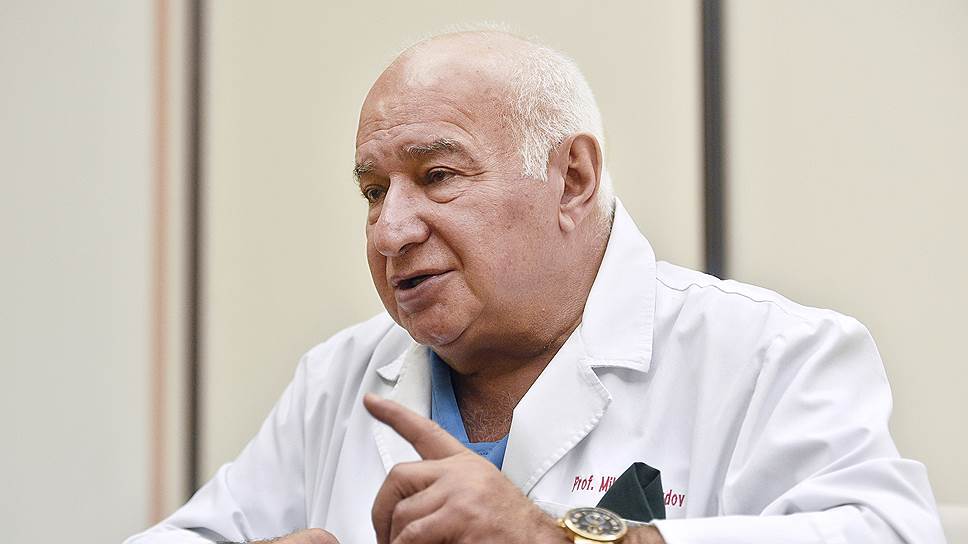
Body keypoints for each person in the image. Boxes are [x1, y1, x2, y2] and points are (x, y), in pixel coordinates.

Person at [125, 30, 946, 544]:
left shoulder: (770, 355)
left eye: (437, 176)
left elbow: (889, 533)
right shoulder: (340, 379)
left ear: (573, 178)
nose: (389, 231)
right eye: (374, 191)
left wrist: (559, 541)